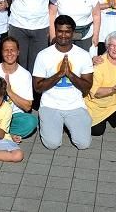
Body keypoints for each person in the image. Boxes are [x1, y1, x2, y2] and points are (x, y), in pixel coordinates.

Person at [32, 15, 94, 150]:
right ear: (55, 31)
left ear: (73, 33)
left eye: (67, 32)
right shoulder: (43, 55)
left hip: (75, 105)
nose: (63, 35)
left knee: (83, 144)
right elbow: (37, 87)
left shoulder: (83, 55)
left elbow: (87, 86)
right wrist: (59, 74)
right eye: (60, 31)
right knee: (52, 144)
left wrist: (70, 74)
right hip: (50, 105)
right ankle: (52, 123)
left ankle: (66, 124)